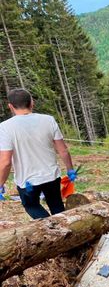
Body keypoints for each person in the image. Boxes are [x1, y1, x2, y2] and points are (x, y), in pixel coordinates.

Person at [0, 89, 77, 219]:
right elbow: (63, 150)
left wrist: (0, 183)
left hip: (27, 181)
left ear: (10, 106)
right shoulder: (48, 120)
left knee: (32, 206)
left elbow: (6, 162)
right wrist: (70, 170)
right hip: (51, 175)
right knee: (56, 205)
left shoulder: (5, 127)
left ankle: (52, 229)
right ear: (32, 103)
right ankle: (64, 229)